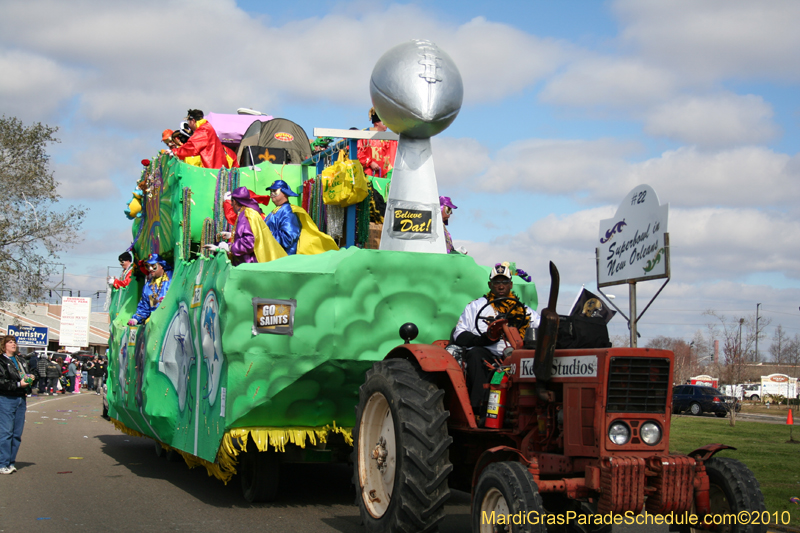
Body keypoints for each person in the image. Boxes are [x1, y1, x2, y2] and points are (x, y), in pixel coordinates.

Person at [453, 262, 540, 425]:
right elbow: (459, 332)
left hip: (516, 353)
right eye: (497, 282)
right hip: (487, 352)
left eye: (505, 282)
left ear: (511, 284)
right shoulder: (476, 306)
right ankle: (478, 408)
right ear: (490, 284)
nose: (501, 286)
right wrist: (481, 340)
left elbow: (539, 325)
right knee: (475, 354)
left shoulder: (524, 310)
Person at [205, 186, 287, 265]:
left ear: (234, 202)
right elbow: (253, 234)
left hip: (250, 264)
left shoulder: (245, 215)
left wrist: (228, 247)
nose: (231, 206)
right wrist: (233, 235)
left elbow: (249, 242)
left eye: (231, 202)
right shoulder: (249, 212)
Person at [0, 335, 33, 474]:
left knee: (17, 433)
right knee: (6, 432)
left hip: (21, 398)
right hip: (7, 398)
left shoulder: (20, 360)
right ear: (4, 345)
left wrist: (31, 379)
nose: (13, 344)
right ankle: (3, 463)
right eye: (10, 342)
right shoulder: (1, 361)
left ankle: (11, 462)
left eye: (14, 342)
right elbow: (2, 382)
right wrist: (18, 384)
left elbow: (28, 373)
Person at [172, 109, 237, 169]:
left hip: (211, 168)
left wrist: (174, 152)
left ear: (193, 121)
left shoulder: (203, 130)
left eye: (188, 122)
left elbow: (193, 146)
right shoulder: (206, 127)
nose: (188, 125)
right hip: (215, 168)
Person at [127, 254, 173, 326]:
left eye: (153, 266)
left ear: (161, 265)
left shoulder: (172, 278)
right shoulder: (148, 287)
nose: (150, 269)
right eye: (148, 266)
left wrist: (168, 300)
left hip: (171, 321)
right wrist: (136, 318)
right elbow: (145, 307)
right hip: (155, 323)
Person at [357, 107, 397, 178]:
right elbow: (358, 153)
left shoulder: (391, 139)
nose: (386, 125)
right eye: (384, 122)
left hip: (386, 180)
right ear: (377, 123)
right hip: (368, 178)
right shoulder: (365, 137)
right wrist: (370, 162)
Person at [265, 180, 302, 255]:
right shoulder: (277, 210)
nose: (271, 194)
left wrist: (264, 236)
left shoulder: (289, 213)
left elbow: (287, 238)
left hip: (284, 260)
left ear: (284, 192)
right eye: (271, 191)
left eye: (274, 191)